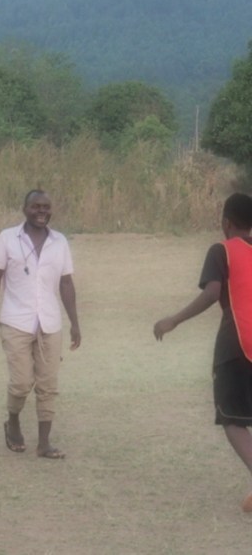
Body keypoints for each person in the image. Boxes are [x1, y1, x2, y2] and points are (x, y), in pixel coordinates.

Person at [153, 192, 252, 513]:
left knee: (232, 418)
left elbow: (212, 293)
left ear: (226, 223)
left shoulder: (221, 250)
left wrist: (174, 320)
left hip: (238, 344)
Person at [0, 189, 81, 459]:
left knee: (48, 383)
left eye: (46, 207)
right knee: (22, 382)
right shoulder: (7, 239)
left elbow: (66, 282)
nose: (42, 211)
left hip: (50, 322)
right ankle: (12, 421)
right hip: (15, 320)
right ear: (24, 209)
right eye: (36, 206)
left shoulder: (59, 241)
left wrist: (75, 322)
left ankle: (44, 443)